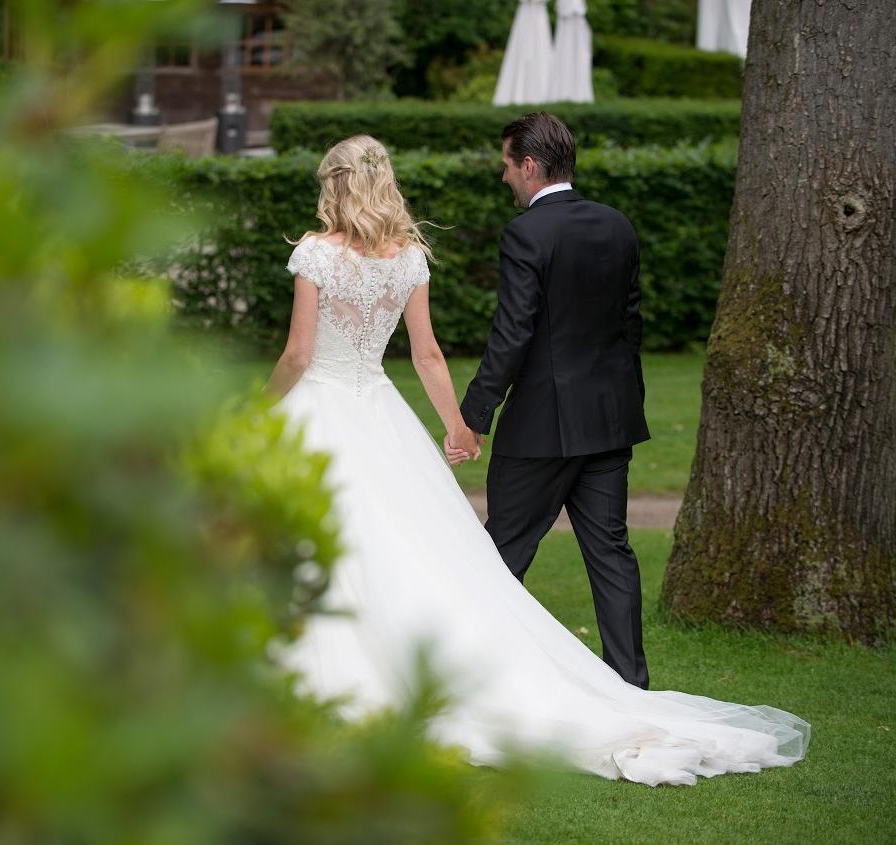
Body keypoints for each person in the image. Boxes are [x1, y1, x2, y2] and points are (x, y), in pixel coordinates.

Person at [268, 132, 809, 787]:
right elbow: (428, 354)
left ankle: (316, 671)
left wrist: (257, 408)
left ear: (336, 184)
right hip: (389, 410)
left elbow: (299, 355)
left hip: (326, 405)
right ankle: (597, 677)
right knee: (408, 541)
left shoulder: (316, 255)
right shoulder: (409, 257)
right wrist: (457, 426)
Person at [449, 112, 650, 690]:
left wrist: (473, 416)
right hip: (610, 422)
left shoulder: (527, 234)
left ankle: (465, 683)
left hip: (541, 430)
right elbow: (629, 325)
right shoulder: (618, 225)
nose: (504, 176)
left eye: (507, 165)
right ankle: (631, 686)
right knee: (611, 554)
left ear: (530, 166)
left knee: (500, 552)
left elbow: (512, 334)